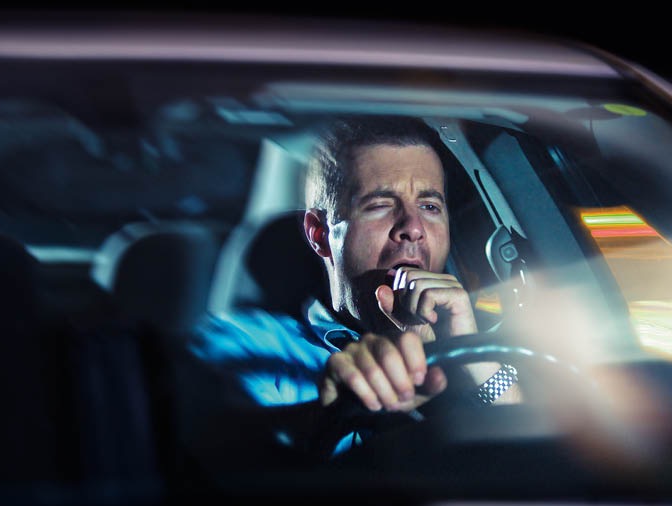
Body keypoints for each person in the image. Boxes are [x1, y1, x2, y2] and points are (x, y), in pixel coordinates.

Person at [189, 115, 519, 462]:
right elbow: (211, 448)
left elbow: (533, 465)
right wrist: (328, 413)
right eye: (380, 205)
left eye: (429, 206)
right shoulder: (253, 345)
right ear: (319, 234)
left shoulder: (487, 344)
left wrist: (475, 358)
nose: (413, 227)